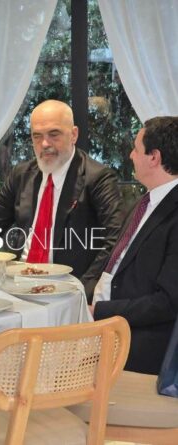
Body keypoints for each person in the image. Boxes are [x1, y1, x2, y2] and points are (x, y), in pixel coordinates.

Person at [0, 100, 124, 299]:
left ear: (74, 135)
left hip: (67, 288)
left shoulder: (97, 178)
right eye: (37, 136)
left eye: (54, 134)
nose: (45, 144)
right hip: (16, 283)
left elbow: (116, 239)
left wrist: (83, 289)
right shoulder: (21, 175)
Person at [92, 116, 178, 375]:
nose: (131, 155)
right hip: (109, 332)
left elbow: (168, 302)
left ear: (154, 157)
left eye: (136, 149)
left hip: (143, 351)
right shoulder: (145, 202)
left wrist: (101, 311)